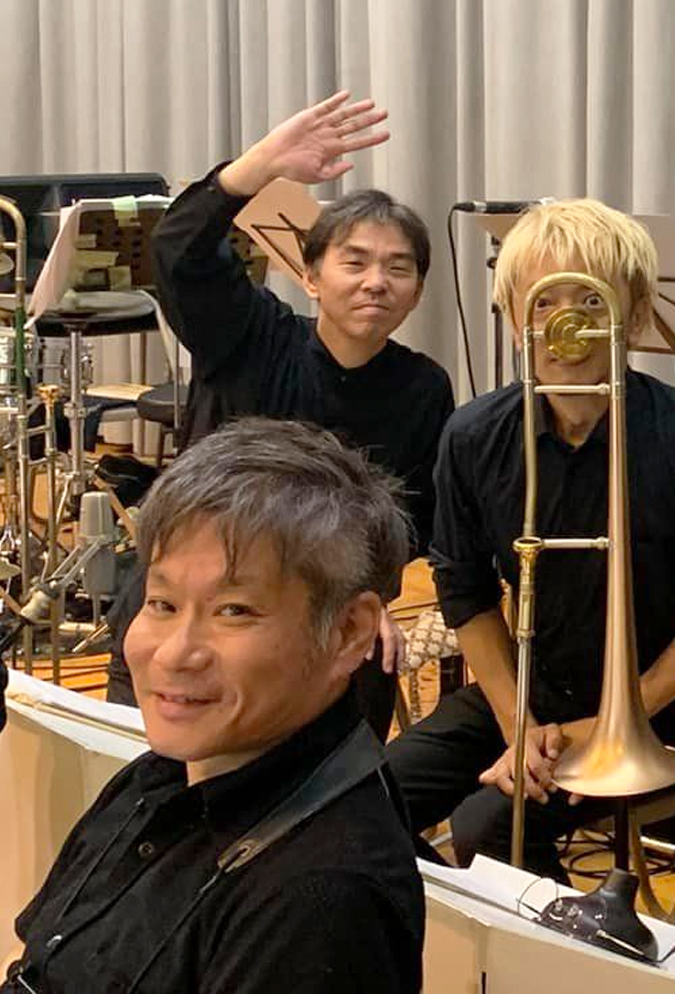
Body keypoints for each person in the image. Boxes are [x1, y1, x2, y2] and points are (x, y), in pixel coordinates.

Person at [0, 421, 425, 994]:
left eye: (234, 612)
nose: (174, 653)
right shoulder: (165, 775)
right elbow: (22, 982)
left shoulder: (322, 894)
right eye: (161, 604)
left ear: (348, 632)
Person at [384, 200, 675, 879]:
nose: (569, 326)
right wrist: (520, 726)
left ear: (637, 313)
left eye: (592, 302)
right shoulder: (473, 437)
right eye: (544, 303)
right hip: (524, 694)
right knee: (367, 801)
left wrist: (595, 728)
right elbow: (464, 589)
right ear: (514, 318)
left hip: (658, 712)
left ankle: (579, 946)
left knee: (489, 828)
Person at [107, 92, 454, 737]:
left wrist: (377, 599)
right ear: (311, 276)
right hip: (194, 599)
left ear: (416, 293)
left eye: (397, 268)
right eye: (354, 262)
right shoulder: (250, 334)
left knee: (364, 671)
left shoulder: (423, 386)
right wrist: (260, 166)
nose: (375, 281)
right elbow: (180, 252)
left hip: (320, 614)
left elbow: (412, 520)